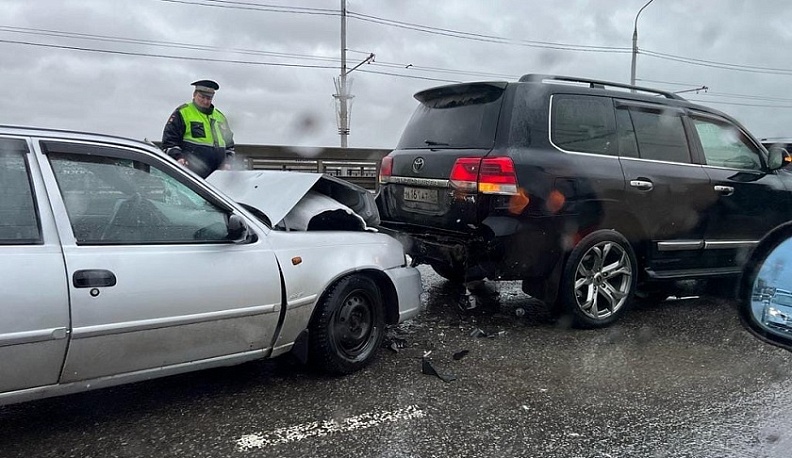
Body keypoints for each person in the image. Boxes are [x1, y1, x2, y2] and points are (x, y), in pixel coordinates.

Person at [161, 79, 235, 178]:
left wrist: (228, 162)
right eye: (202, 97)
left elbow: (229, 145)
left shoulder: (220, 117)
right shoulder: (182, 112)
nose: (205, 101)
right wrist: (178, 157)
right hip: (192, 173)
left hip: (218, 175)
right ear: (194, 94)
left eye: (209, 98)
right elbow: (169, 141)